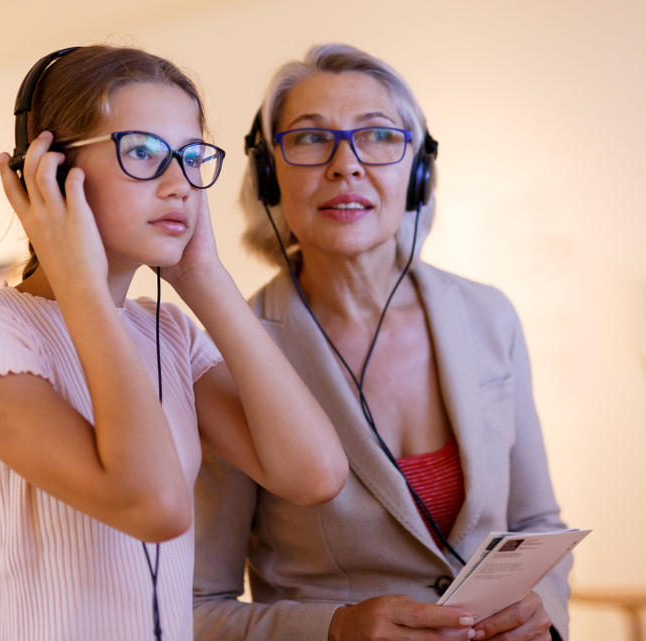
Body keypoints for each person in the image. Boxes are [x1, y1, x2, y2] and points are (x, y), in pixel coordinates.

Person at [0, 45, 348, 641]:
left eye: (190, 157)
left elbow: (314, 475)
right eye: (142, 151)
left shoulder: (166, 329)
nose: (179, 186)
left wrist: (205, 276)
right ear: (50, 171)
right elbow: (155, 507)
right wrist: (82, 285)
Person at [193, 43, 571, 641]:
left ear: (417, 171)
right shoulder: (230, 353)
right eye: (311, 139)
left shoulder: (487, 316)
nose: (346, 165)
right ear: (269, 173)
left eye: (378, 137)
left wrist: (540, 608)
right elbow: (198, 605)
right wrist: (334, 629)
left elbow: (536, 521)